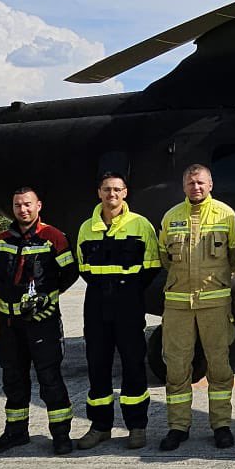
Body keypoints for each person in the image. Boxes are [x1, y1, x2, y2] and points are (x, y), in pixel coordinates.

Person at [0, 187, 80, 454]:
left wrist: (48, 298)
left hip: (43, 322)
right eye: (18, 205)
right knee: (13, 378)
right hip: (9, 324)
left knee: (49, 378)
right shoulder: (3, 239)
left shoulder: (53, 237)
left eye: (27, 204)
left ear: (38, 205)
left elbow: (69, 273)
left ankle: (61, 434)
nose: (23, 210)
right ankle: (16, 432)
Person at [73, 172, 161, 450]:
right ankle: (100, 426)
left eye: (117, 190)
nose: (112, 194)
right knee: (97, 365)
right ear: (99, 192)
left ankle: (136, 426)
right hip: (97, 304)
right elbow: (83, 267)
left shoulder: (140, 225)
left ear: (125, 193)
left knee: (134, 364)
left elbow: (152, 265)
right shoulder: (87, 227)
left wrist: (127, 289)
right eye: (107, 189)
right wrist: (105, 287)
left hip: (128, 304)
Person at [158, 164, 235, 451]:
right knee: (177, 368)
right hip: (179, 305)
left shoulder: (226, 216)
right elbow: (164, 257)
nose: (197, 187)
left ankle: (221, 425)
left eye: (201, 183)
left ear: (211, 184)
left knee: (219, 366)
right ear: (184, 186)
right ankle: (178, 426)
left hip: (214, 303)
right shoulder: (171, 217)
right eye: (191, 183)